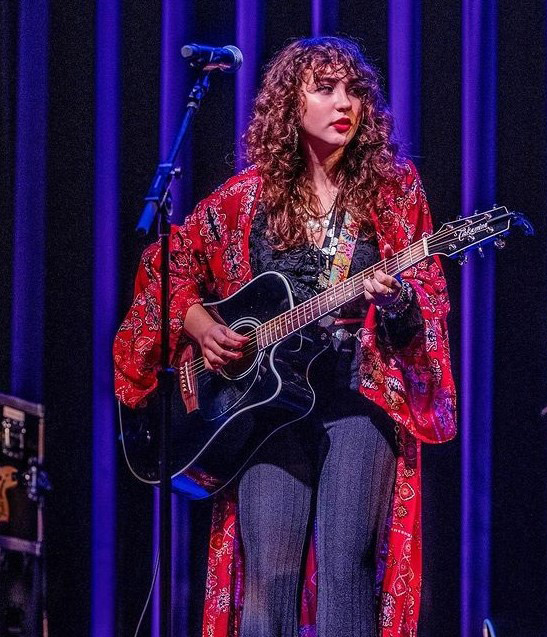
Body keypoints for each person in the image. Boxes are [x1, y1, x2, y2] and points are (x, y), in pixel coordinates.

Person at [114, 36, 456, 637]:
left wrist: (396, 298)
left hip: (357, 395)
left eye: (353, 90)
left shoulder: (392, 190)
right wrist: (198, 321)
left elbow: (423, 303)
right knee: (268, 575)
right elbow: (164, 270)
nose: (343, 102)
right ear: (289, 106)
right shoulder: (247, 198)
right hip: (265, 410)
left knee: (345, 563)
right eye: (324, 89)